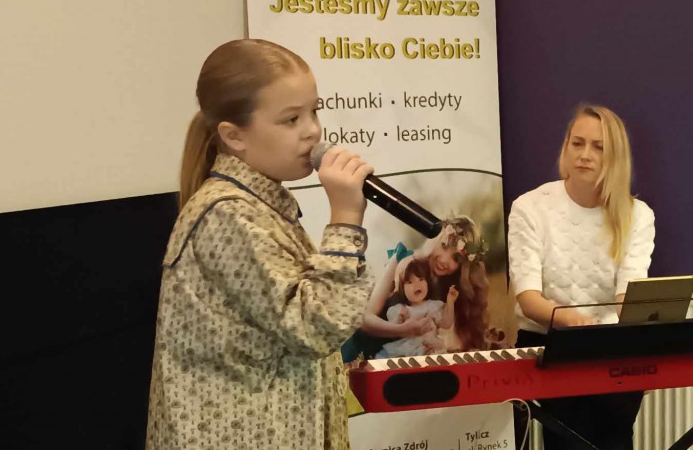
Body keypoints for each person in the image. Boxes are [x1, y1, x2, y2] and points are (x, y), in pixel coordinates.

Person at [146, 39, 374, 449]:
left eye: (315, 111)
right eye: (291, 119)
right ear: (235, 136)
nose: (313, 130)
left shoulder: (260, 205)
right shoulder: (227, 216)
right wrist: (344, 218)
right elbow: (315, 328)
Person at [508, 104, 656, 450]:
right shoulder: (530, 207)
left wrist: (635, 332)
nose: (585, 155)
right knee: (569, 438)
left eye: (598, 147)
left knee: (614, 435)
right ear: (566, 146)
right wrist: (574, 322)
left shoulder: (637, 214)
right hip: (549, 342)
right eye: (577, 143)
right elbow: (528, 300)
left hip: (611, 348)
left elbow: (627, 298)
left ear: (615, 157)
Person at [341, 216, 490, 362]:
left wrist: (439, 345)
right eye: (444, 246)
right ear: (437, 239)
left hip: (397, 366)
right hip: (356, 354)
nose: (444, 259)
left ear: (463, 266)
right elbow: (365, 319)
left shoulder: (452, 292)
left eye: (455, 258)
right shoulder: (404, 260)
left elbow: (451, 342)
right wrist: (404, 330)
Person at [374, 259, 459, 358]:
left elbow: (446, 323)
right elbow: (394, 330)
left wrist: (450, 301)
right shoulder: (401, 309)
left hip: (429, 347)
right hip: (407, 348)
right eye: (410, 282)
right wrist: (400, 319)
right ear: (402, 288)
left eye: (421, 279)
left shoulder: (432, 306)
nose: (417, 284)